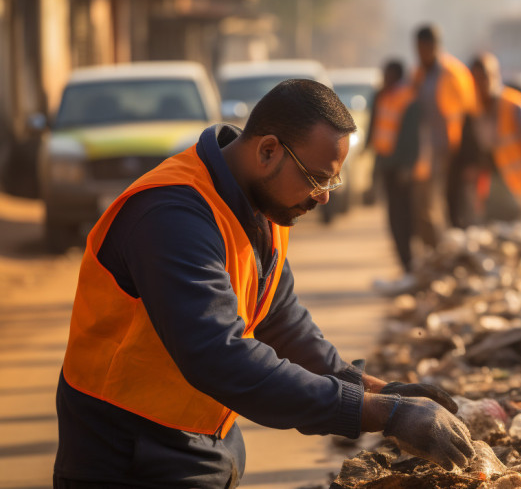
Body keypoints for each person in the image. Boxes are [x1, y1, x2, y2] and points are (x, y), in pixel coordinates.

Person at [54, 79, 474, 487]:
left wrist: (381, 391)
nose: (324, 195)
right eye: (316, 179)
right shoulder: (170, 216)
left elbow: (282, 324)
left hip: (201, 450)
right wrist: (382, 414)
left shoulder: (261, 206)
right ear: (269, 150)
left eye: (332, 180)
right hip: (129, 460)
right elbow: (221, 358)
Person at [469, 52, 521, 224]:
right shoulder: (480, 112)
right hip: (517, 188)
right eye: (477, 79)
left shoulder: (514, 107)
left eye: (485, 77)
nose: (482, 83)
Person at [411, 24, 477, 243]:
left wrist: (465, 154)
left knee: (445, 205)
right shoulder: (420, 73)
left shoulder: (452, 73)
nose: (420, 53)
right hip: (426, 151)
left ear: (434, 46)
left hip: (449, 150)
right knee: (425, 206)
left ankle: (448, 249)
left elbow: (468, 115)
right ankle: (435, 252)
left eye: (424, 48)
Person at [369, 59, 418, 275]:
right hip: (386, 165)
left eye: (388, 75)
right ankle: (405, 265)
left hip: (401, 170)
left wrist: (407, 166)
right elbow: (376, 128)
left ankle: (410, 264)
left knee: (404, 217)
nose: (384, 79)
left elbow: (411, 137)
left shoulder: (408, 98)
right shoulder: (381, 96)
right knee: (393, 217)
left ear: (397, 76)